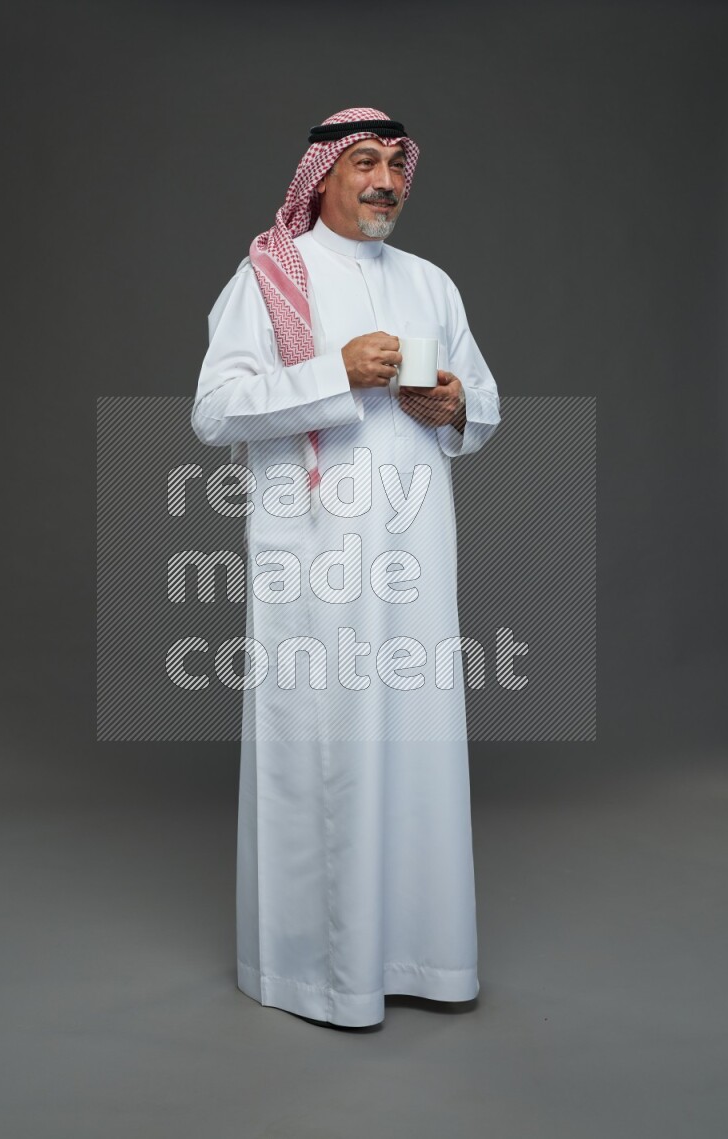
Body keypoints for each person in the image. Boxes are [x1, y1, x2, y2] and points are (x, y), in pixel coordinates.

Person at [191, 107, 501, 1027]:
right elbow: (216, 411)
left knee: (416, 743)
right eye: (363, 162)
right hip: (315, 562)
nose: (383, 181)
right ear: (319, 176)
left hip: (413, 562)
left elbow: (482, 399)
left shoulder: (430, 282)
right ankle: (317, 972)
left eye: (394, 166)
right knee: (323, 747)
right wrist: (337, 371)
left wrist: (456, 408)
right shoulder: (269, 278)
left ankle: (425, 957)